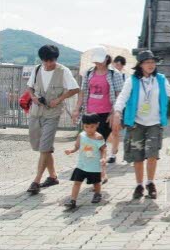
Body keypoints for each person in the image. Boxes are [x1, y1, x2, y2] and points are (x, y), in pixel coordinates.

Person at [112, 50, 170, 200]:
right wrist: (117, 112)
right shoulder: (132, 80)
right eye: (147, 62)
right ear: (140, 65)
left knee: (152, 155)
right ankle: (139, 184)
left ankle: (150, 183)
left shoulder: (160, 79)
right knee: (137, 156)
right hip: (136, 123)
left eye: (153, 62)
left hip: (154, 123)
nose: (151, 65)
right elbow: (122, 97)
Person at [25, 45, 80, 195]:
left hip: (52, 114)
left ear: (56, 59)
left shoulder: (63, 71)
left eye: (52, 61)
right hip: (36, 113)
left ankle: (36, 180)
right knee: (41, 146)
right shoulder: (37, 69)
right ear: (42, 60)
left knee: (44, 146)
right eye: (46, 61)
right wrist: (33, 97)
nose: (49, 64)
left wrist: (60, 99)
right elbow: (29, 87)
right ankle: (53, 176)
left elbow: (75, 89)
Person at [73, 46, 124, 183]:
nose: (98, 63)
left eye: (100, 60)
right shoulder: (89, 73)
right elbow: (82, 92)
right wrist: (77, 109)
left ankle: (101, 173)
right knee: (89, 143)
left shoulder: (115, 74)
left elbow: (120, 95)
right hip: (90, 113)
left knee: (99, 143)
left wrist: (114, 113)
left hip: (106, 113)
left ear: (107, 59)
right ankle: (94, 171)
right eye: (96, 61)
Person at [63, 114, 107, 210]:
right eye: (86, 127)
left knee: (96, 182)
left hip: (94, 166)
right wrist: (71, 150)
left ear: (97, 125)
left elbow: (103, 149)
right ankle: (73, 200)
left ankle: (97, 194)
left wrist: (103, 158)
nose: (89, 129)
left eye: (92, 127)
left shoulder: (99, 137)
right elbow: (77, 146)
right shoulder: (81, 135)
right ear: (83, 126)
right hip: (81, 165)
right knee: (77, 182)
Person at [108, 55, 128, 164]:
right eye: (116, 63)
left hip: (122, 108)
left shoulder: (126, 77)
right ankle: (113, 151)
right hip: (108, 106)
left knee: (116, 130)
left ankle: (113, 154)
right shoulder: (108, 75)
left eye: (121, 64)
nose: (118, 66)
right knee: (110, 131)